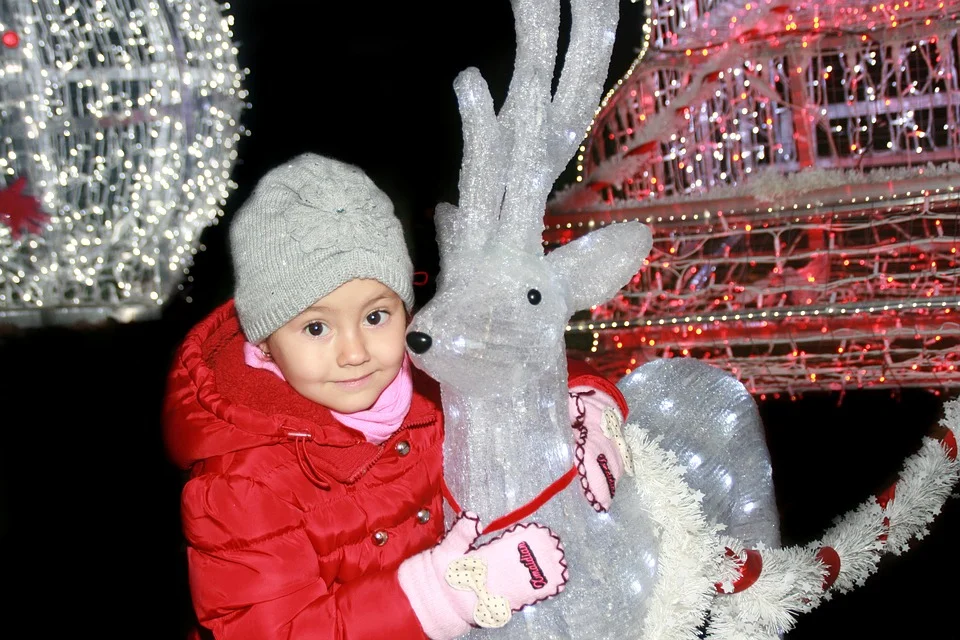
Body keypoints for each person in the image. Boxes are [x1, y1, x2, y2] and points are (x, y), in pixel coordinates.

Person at [162, 153, 632, 640]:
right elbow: (270, 631)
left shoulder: (430, 379)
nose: (354, 353)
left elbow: (525, 364)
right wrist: (442, 596)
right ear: (263, 341)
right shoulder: (243, 484)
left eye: (375, 317)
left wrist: (586, 412)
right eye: (317, 327)